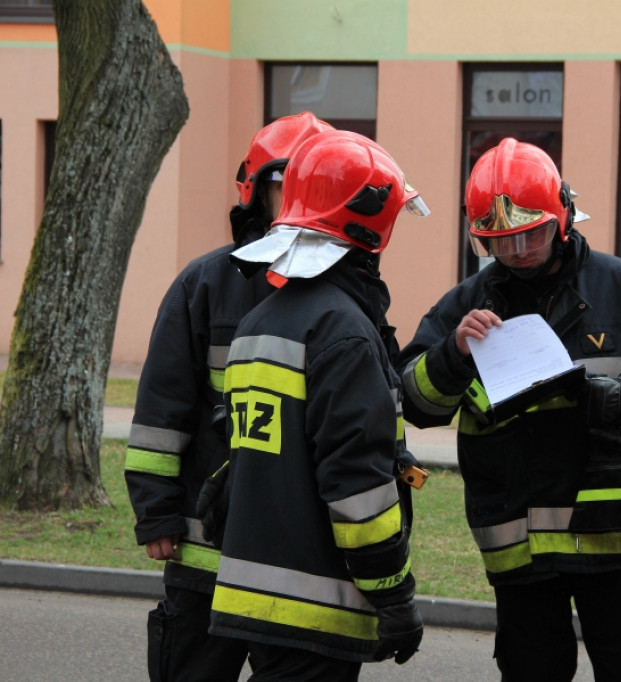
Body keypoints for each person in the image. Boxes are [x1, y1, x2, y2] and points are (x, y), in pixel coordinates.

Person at [397, 137, 621, 682]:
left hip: (613, 539)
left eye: (534, 232)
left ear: (563, 217)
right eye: (503, 241)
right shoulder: (466, 304)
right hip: (517, 546)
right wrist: (453, 355)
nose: (521, 249)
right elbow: (414, 402)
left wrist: (613, 398)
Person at [208, 129, 429, 681]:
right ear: (371, 223)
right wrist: (393, 594)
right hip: (315, 604)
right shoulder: (344, 332)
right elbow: (357, 485)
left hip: (258, 595)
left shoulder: (262, 319)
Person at [123, 110, 332, 682]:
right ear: (255, 191)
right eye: (281, 185)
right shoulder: (206, 284)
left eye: (311, 187)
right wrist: (157, 511)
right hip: (205, 545)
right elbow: (161, 411)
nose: (295, 201)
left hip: (295, 547)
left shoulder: (342, 291)